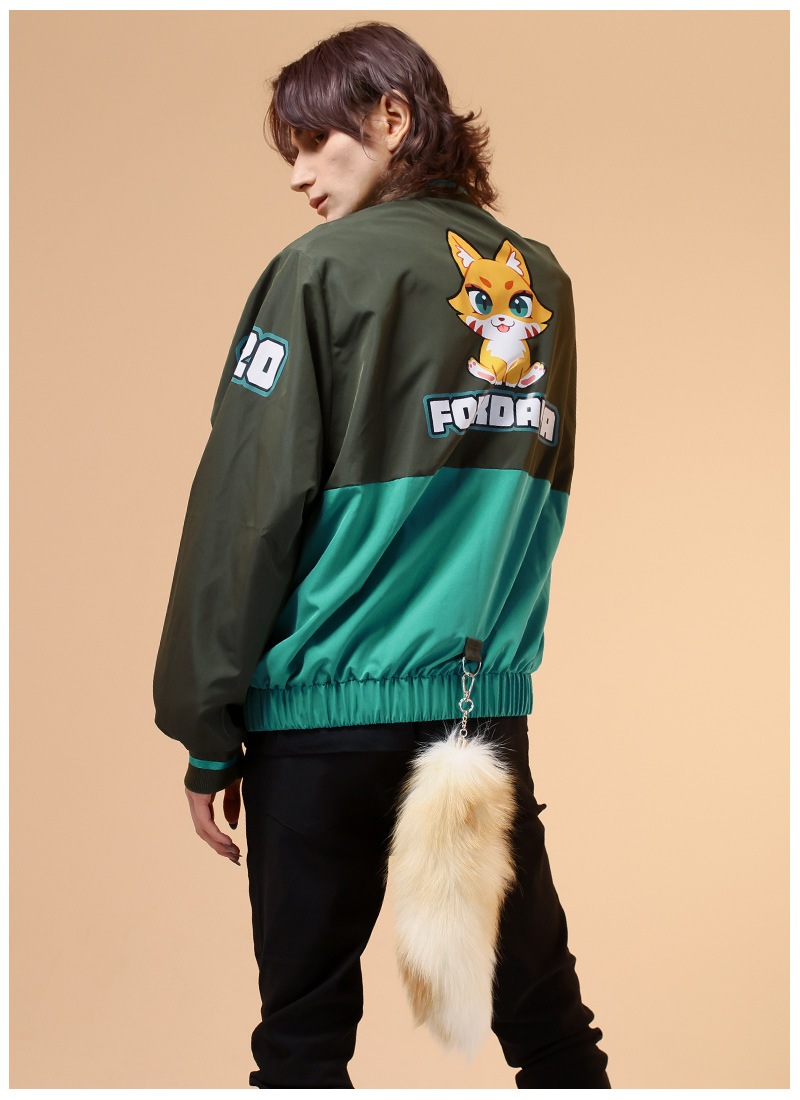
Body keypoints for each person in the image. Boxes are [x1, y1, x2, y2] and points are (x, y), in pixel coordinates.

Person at [153, 20, 611, 1089]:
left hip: (321, 720)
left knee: (302, 1043)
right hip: (475, 717)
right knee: (549, 1030)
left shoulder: (316, 270)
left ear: (392, 118)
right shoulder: (543, 283)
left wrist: (205, 730)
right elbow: (537, 499)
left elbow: (244, 512)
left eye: (315, 142)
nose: (300, 175)